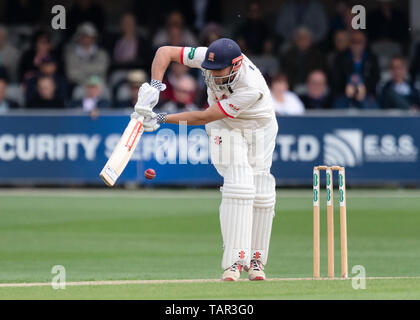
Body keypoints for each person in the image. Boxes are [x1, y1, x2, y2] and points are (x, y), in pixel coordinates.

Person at [131, 38, 278, 281]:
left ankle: (256, 260)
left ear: (236, 65)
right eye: (210, 70)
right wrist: (155, 87)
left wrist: (161, 118)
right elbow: (164, 52)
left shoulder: (250, 86)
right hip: (224, 127)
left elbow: (204, 117)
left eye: (219, 70)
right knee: (239, 182)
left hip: (258, 127)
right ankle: (234, 261)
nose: (213, 75)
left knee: (261, 191)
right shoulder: (208, 57)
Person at [331, 30, 380, 109]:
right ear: (349, 43)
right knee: (338, 107)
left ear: (365, 43)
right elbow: (335, 79)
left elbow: (376, 78)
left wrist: (365, 88)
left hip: (366, 95)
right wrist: (345, 87)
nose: (357, 45)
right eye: (354, 41)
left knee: (371, 109)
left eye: (360, 41)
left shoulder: (372, 59)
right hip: (344, 95)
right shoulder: (340, 58)